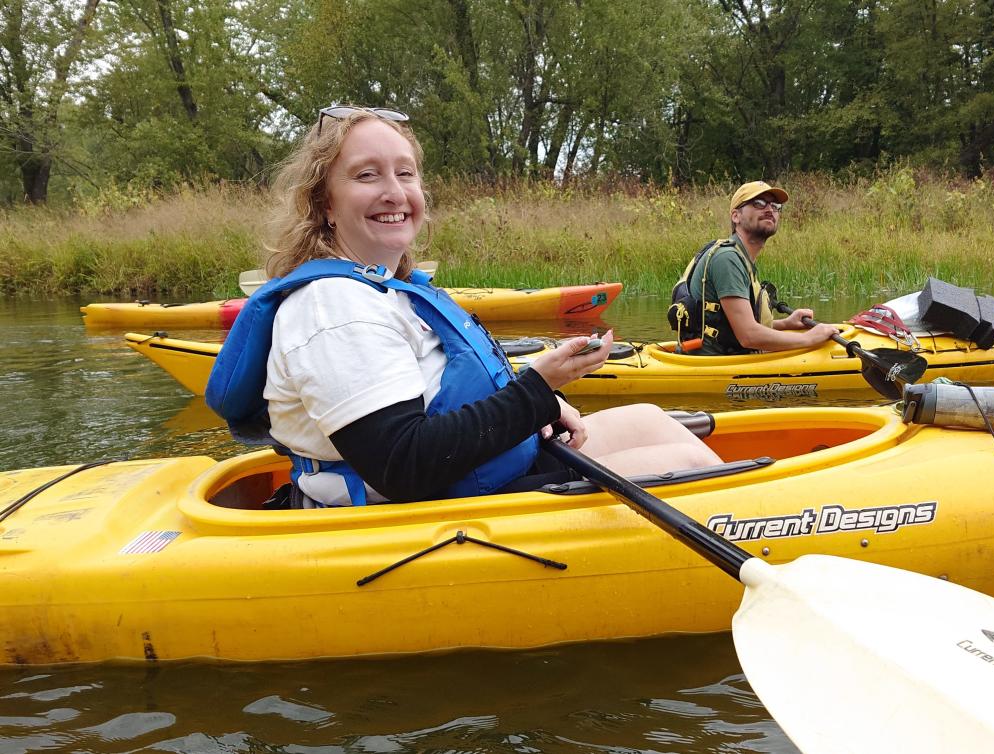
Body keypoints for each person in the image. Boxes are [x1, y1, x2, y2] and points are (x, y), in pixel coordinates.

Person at [210, 105, 721, 508]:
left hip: (473, 465)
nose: (394, 192)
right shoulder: (334, 307)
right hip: (425, 499)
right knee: (690, 464)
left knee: (654, 420)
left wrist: (539, 401)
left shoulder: (381, 286)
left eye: (405, 174)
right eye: (367, 176)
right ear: (324, 203)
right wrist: (536, 392)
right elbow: (402, 464)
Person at [678, 181, 838, 355]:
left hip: (727, 356)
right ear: (735, 216)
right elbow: (748, 336)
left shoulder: (740, 257)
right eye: (759, 203)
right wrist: (809, 338)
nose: (769, 209)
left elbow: (730, 325)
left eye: (775, 206)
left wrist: (785, 324)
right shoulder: (727, 259)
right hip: (714, 366)